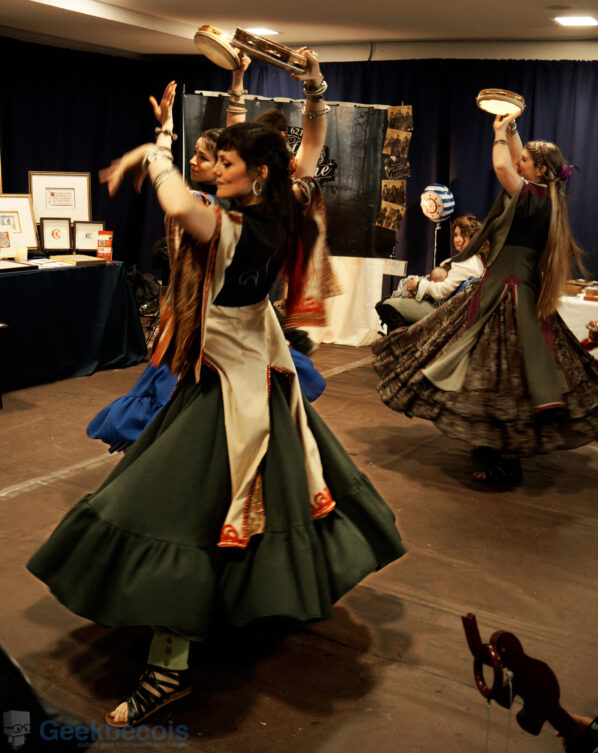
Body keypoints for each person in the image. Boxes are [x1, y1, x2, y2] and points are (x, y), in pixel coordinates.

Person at [27, 50, 406, 728]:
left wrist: (151, 154)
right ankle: (227, 617)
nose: (217, 169)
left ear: (255, 174)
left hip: (233, 391)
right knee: (235, 508)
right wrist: (314, 89)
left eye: (227, 163)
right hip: (249, 374)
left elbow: (177, 199)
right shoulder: (281, 202)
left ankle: (167, 669)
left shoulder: (230, 225)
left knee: (176, 515)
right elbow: (307, 150)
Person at [373, 110, 598, 484]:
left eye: (526, 160)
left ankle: (505, 460)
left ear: (540, 170)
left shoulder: (534, 197)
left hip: (509, 294)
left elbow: (501, 166)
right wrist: (510, 127)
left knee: (504, 376)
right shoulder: (543, 194)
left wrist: (498, 134)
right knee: (494, 372)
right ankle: (493, 446)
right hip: (502, 287)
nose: (519, 161)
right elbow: (515, 159)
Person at [375, 215, 485, 331]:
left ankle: (406, 339)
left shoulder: (465, 261)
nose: (457, 239)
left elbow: (441, 291)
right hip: (446, 308)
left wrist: (418, 284)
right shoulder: (476, 260)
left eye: (462, 235)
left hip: (441, 311)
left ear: (472, 238)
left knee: (385, 306)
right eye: (456, 235)